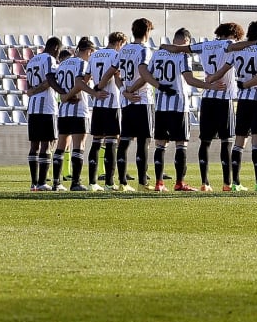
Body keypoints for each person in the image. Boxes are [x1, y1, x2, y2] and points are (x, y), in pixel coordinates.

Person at [164, 23, 244, 192]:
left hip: (207, 99)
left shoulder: (205, 45)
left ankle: (205, 182)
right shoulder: (229, 45)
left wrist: (164, 46)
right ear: (234, 35)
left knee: (205, 142)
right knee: (226, 142)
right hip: (224, 97)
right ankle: (227, 183)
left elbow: (182, 49)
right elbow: (240, 47)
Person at [149, 28, 226, 192]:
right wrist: (209, 86)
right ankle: (179, 183)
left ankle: (159, 183)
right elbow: (189, 80)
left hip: (161, 105)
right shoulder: (183, 55)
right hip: (178, 106)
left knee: (160, 145)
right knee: (181, 144)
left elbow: (147, 75)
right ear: (186, 41)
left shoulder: (157, 54)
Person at [228, 20, 257, 192]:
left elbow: (228, 53)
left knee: (239, 141)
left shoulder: (238, 50)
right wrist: (248, 84)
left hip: (243, 100)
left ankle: (236, 182)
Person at [118, 18, 157, 191]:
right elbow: (145, 75)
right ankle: (142, 182)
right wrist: (132, 90)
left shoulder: (124, 49)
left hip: (126, 101)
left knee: (124, 141)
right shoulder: (145, 50)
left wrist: (124, 91)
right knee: (143, 141)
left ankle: (122, 183)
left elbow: (114, 73)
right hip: (142, 99)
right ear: (147, 31)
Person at [52, 38, 95, 191]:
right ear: (89, 51)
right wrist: (70, 94)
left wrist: (63, 95)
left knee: (60, 147)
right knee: (79, 146)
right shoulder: (83, 64)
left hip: (63, 110)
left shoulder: (63, 64)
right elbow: (79, 84)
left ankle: (56, 183)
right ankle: (75, 182)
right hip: (79, 109)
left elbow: (55, 82)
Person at [86, 32, 126, 191]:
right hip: (112, 102)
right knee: (111, 142)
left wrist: (94, 92)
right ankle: (109, 182)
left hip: (97, 103)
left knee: (96, 143)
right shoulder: (116, 55)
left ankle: (92, 183)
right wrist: (125, 91)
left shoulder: (94, 56)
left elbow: (85, 79)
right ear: (120, 42)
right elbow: (115, 76)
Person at [24, 37, 64, 191]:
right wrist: (63, 92)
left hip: (33, 106)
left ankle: (34, 183)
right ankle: (42, 182)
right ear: (55, 48)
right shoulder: (49, 59)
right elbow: (50, 79)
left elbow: (29, 87)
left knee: (34, 144)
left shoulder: (32, 60)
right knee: (46, 144)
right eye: (59, 50)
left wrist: (33, 91)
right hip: (46, 106)